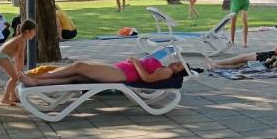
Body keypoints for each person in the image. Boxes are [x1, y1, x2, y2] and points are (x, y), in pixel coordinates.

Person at [20, 55, 188, 87]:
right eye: (178, 62)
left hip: (121, 74)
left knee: (79, 66)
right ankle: (36, 81)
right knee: (75, 76)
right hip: (119, 70)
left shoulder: (167, 72)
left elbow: (148, 79)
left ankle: (38, 77)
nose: (175, 63)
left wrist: (136, 62)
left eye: (178, 65)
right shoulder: (164, 67)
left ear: (178, 72)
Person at [207, 30, 277, 69]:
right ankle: (217, 67)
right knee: (243, 64)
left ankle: (216, 63)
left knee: (242, 57)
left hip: (273, 58)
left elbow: (274, 51)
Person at [0, 19, 36, 105]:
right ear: (27, 31)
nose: (35, 33)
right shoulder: (22, 41)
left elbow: (17, 56)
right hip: (2, 57)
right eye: (34, 31)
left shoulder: (20, 39)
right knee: (14, 77)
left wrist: (18, 68)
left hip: (2, 56)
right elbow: (20, 56)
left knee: (15, 76)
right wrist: (20, 69)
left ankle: (13, 96)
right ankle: (5, 98)